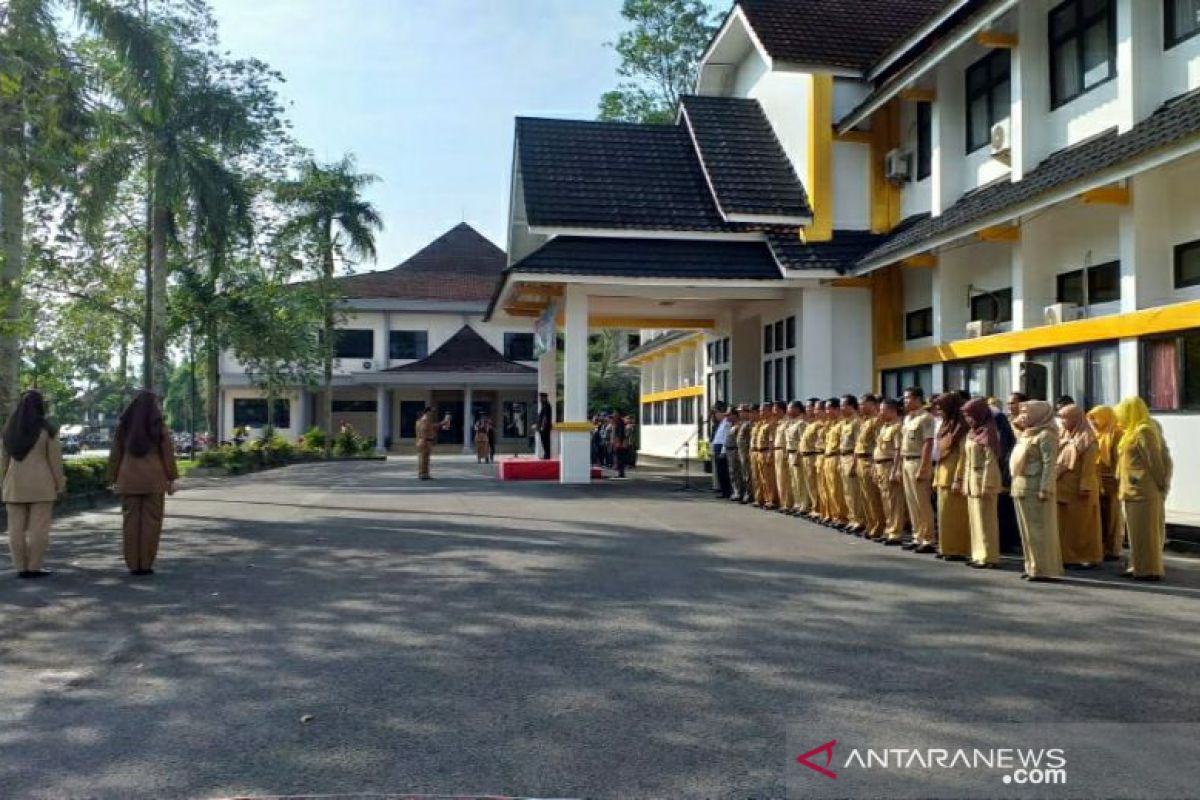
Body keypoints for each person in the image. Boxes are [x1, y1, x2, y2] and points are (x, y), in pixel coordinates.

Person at [108, 391, 179, 576]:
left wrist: (112, 478)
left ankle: (133, 564)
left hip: (128, 478)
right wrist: (171, 478)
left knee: (130, 523)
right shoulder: (158, 425)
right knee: (152, 523)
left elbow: (116, 454)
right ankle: (146, 564)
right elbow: (167, 453)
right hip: (154, 480)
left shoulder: (124, 426)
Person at [2, 391, 66, 578]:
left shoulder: (9, 429)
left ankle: (20, 568)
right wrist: (60, 485)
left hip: (14, 485)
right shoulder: (47, 429)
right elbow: (55, 462)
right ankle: (34, 567)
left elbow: (3, 462)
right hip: (42, 485)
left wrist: (3, 483)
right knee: (39, 528)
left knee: (15, 529)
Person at [1114, 397, 1172, 581]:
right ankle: (1137, 566)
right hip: (1131, 489)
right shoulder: (1130, 432)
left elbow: (1155, 461)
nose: (1119, 418)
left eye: (1123, 413)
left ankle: (1149, 570)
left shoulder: (1144, 431)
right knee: (1135, 533)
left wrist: (1162, 485)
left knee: (1146, 532)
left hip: (1144, 491)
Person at [1010, 400, 1063, 581]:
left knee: (1040, 530)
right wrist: (1018, 422)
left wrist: (1045, 488)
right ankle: (1032, 565)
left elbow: (1050, 465)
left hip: (1036, 487)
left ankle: (1044, 568)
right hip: (1021, 485)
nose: (1023, 416)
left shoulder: (1047, 435)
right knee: (1027, 531)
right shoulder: (1027, 433)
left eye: (1027, 412)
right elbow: (1015, 427)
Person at [955, 398, 1002, 568]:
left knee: (986, 520)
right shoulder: (972, 432)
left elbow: (991, 460)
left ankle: (989, 556)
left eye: (970, 415)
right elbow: (966, 458)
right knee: (975, 520)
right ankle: (978, 554)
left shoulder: (989, 432)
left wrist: (987, 484)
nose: (968, 419)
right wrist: (962, 480)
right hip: (972, 478)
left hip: (983, 478)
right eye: (966, 416)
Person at [1055, 404, 1102, 569]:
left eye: (1065, 417)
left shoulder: (1088, 439)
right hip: (1062, 487)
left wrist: (1085, 487)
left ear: (1076, 418)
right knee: (1065, 526)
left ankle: (1083, 556)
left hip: (1079, 490)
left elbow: (1089, 468)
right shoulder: (1064, 434)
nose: (1062, 421)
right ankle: (1066, 555)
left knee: (1080, 526)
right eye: (1060, 417)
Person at [931, 392, 971, 561]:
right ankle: (946, 547)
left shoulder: (962, 427)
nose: (939, 411)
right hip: (942, 473)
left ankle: (958, 550)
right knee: (944, 515)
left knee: (956, 516)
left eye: (942, 407)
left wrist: (958, 478)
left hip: (954, 475)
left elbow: (963, 455)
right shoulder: (946, 425)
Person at [898, 388, 936, 552]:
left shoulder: (926, 418)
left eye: (908, 398)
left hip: (918, 461)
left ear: (918, 399)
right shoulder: (907, 419)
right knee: (912, 502)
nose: (905, 401)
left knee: (922, 502)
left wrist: (924, 466)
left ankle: (928, 539)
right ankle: (917, 536)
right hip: (907, 461)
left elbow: (928, 443)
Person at [1087, 405, 1125, 562]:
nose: (1094, 422)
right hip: (1097, 478)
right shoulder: (1095, 434)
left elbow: (1118, 458)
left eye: (1096, 418)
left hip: (1112, 478)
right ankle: (1101, 547)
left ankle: (1113, 548)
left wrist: (1118, 477)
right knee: (1101, 514)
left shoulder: (1115, 433)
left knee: (1113, 515)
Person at [874, 398, 908, 545]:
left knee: (894, 501)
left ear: (892, 411)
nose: (880, 412)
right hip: (880, 465)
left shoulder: (897, 427)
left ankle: (895, 533)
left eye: (883, 410)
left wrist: (895, 470)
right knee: (886, 500)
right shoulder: (884, 427)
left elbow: (898, 450)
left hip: (890, 465)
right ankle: (889, 529)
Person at [855, 394, 885, 540]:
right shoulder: (864, 421)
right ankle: (870, 524)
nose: (860, 407)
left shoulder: (877, 421)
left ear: (872, 404)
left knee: (873, 497)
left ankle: (879, 526)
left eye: (863, 404)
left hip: (869, 460)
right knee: (865, 497)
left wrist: (874, 463)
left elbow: (878, 444)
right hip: (860, 460)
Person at [838, 395, 863, 533]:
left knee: (854, 492)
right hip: (843, 457)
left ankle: (858, 520)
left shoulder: (856, 423)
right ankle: (852, 518)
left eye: (843, 405)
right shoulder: (846, 422)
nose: (841, 408)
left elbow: (858, 445)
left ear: (851, 406)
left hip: (851, 457)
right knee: (847, 492)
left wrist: (854, 464)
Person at [800, 399, 825, 521]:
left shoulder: (821, 424)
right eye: (809, 408)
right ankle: (814, 508)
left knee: (816, 485)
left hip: (814, 455)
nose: (810, 410)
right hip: (806, 456)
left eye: (813, 408)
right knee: (810, 484)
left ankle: (818, 508)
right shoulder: (810, 423)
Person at [785, 401, 809, 516]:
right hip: (790, 454)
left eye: (790, 408)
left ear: (797, 410)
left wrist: (798, 456)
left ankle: (804, 505)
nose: (788, 410)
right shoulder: (791, 423)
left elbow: (802, 442)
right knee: (794, 481)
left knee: (800, 481)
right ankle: (797, 503)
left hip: (797, 454)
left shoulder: (801, 424)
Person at [415, 407, 451, 480]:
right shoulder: (424, 420)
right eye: (431, 412)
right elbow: (425, 429)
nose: (432, 414)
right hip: (424, 441)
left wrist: (440, 424)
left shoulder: (422, 420)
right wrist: (442, 423)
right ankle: (422, 474)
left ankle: (425, 474)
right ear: (427, 412)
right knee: (423, 459)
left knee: (426, 459)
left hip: (424, 441)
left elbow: (430, 427)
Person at [772, 402, 793, 513]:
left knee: (785, 479)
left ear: (781, 410)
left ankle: (787, 503)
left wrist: (785, 454)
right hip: (777, 451)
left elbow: (787, 440)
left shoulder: (787, 422)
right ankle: (783, 502)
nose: (773, 412)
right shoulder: (779, 423)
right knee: (779, 479)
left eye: (775, 410)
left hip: (783, 451)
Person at [737, 405, 757, 504]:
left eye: (742, 412)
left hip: (747, 452)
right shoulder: (743, 423)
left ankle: (749, 494)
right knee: (744, 474)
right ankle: (746, 493)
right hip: (742, 452)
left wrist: (749, 452)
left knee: (748, 475)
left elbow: (751, 440)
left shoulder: (751, 424)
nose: (740, 413)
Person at [711, 407, 732, 498]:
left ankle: (726, 492)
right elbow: (717, 438)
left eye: (717, 413)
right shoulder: (720, 424)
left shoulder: (727, 424)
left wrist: (723, 451)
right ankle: (723, 491)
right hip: (717, 448)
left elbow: (725, 439)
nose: (715, 416)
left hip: (721, 449)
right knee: (719, 472)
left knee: (723, 472)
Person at [610, 409, 629, 479]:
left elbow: (620, 434)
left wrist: (618, 442)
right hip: (618, 442)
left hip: (620, 443)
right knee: (618, 458)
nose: (613, 416)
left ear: (618, 414)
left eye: (614, 414)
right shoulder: (617, 422)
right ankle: (620, 473)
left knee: (620, 458)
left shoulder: (620, 422)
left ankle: (621, 473)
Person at [536, 393, 553, 460]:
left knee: (545, 441)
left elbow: (545, 417)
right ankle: (546, 455)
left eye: (541, 398)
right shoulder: (544, 405)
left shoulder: (546, 406)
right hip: (544, 427)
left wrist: (542, 426)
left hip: (545, 428)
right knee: (544, 441)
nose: (540, 399)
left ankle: (547, 456)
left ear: (545, 398)